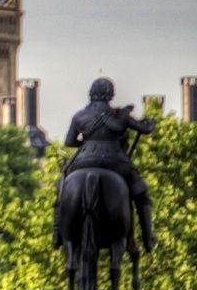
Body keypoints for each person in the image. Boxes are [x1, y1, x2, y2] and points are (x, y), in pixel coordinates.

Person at [60, 77, 155, 250]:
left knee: (63, 186)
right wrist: (150, 122)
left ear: (91, 94)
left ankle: (58, 233)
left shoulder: (79, 116)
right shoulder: (119, 115)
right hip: (116, 162)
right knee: (141, 194)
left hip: (83, 161)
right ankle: (148, 238)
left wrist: (86, 143)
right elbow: (145, 130)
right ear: (110, 94)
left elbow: (69, 142)